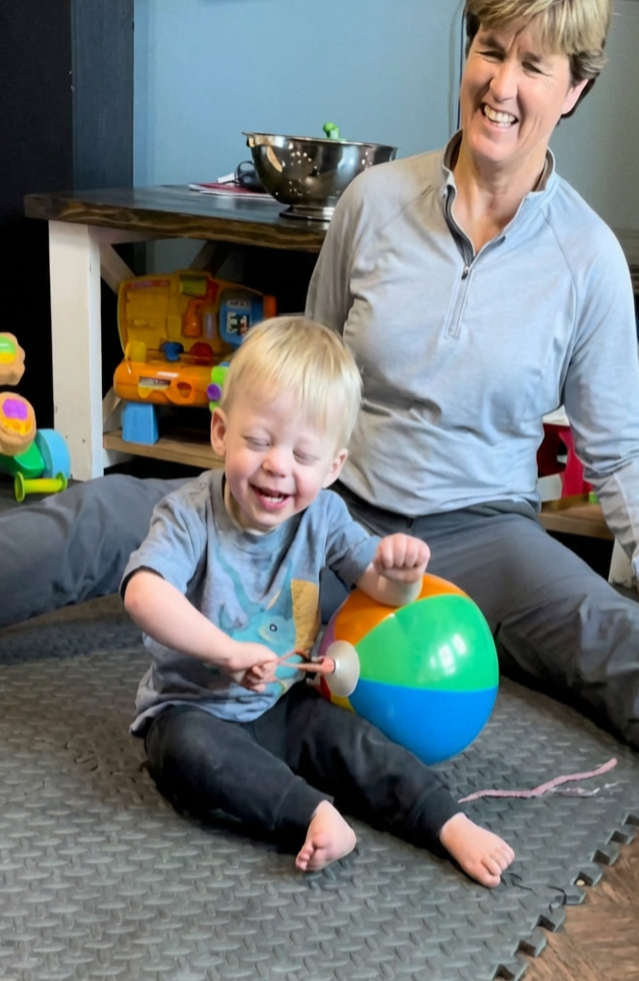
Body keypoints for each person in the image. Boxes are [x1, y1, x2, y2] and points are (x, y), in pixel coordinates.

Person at [0, 0, 639, 762]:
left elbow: (622, 448)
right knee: (104, 514)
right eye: (490, 50)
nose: (501, 85)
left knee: (614, 637)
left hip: (482, 536)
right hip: (323, 511)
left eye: (533, 66)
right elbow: (305, 367)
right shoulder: (375, 201)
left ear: (573, 89)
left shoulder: (586, 258)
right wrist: (251, 479)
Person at [120, 316, 514, 882]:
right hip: (192, 710)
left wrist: (401, 573)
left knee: (357, 743)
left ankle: (446, 820)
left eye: (303, 457)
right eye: (258, 441)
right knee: (185, 753)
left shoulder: (324, 515)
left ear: (332, 469)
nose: (278, 464)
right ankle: (314, 813)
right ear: (220, 432)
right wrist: (227, 651)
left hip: (283, 706)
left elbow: (377, 586)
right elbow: (143, 593)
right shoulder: (188, 514)